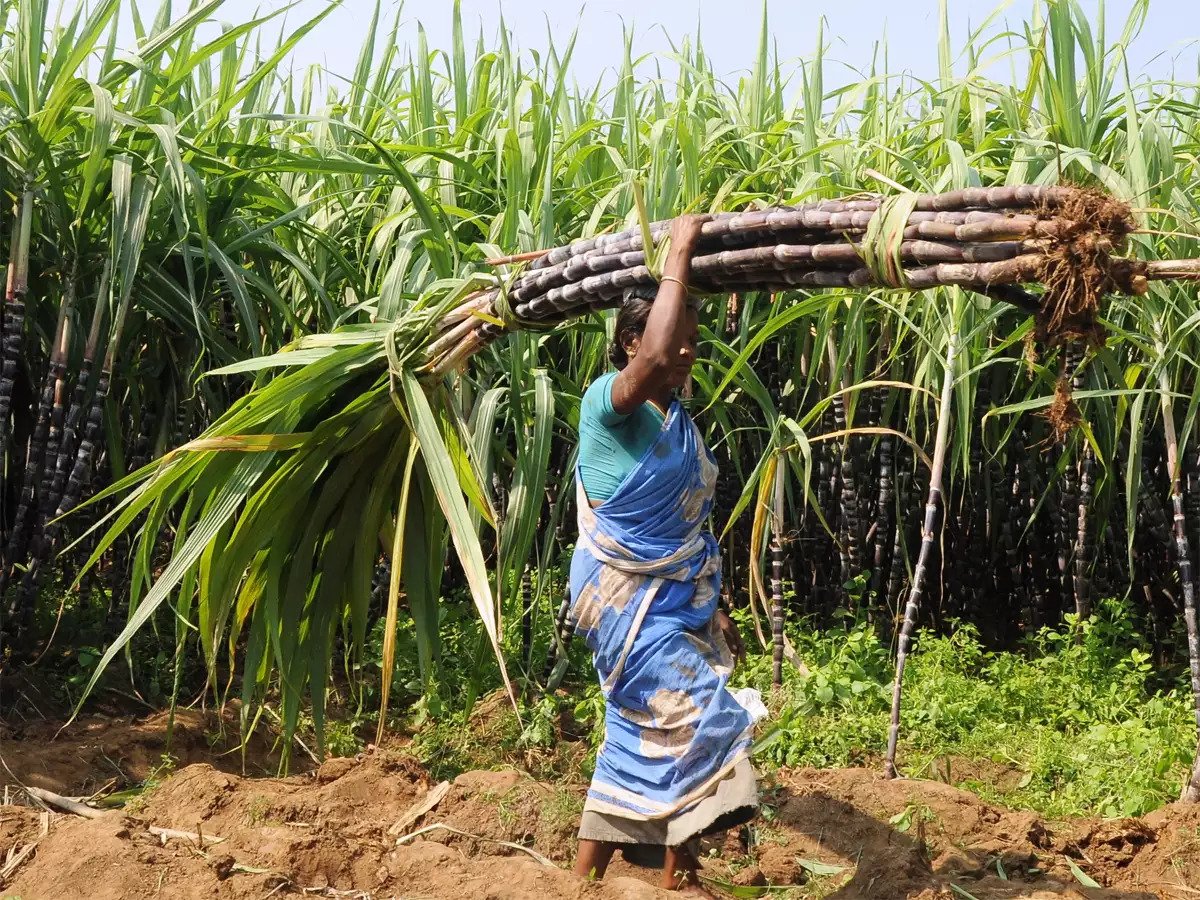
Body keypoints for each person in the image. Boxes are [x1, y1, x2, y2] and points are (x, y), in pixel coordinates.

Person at [569, 215, 759, 896]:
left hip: (669, 604)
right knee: (704, 719)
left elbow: (687, 531)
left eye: (693, 344)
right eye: (674, 342)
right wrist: (679, 249)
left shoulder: (675, 423)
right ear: (630, 343)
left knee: (633, 734)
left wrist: (717, 607)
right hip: (624, 601)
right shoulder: (608, 404)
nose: (685, 355)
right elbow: (649, 366)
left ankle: (581, 880)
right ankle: (681, 876)